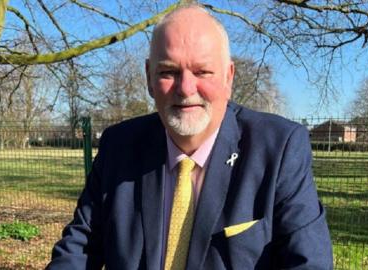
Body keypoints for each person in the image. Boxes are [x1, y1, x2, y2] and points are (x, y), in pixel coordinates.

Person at [47, 4, 333, 270]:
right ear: (148, 77)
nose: (185, 88)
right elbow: (78, 250)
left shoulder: (278, 148)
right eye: (169, 72)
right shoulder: (118, 147)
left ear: (228, 77)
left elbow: (309, 263)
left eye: (202, 71)